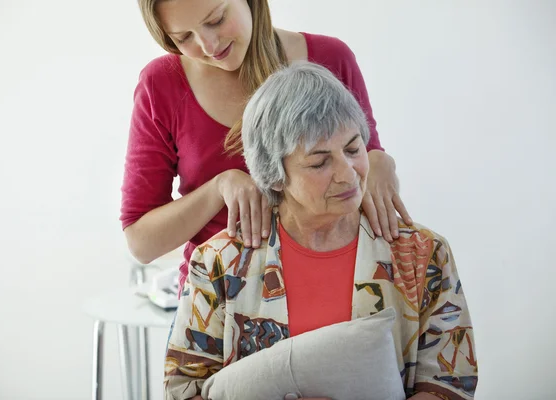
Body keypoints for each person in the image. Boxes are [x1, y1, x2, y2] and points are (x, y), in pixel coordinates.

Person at [164, 62, 478, 399]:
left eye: (354, 149)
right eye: (319, 162)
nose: (349, 174)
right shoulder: (220, 263)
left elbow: (450, 385)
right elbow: (182, 389)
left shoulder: (423, 255)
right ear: (272, 174)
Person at [121, 0, 413, 294]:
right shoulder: (162, 85)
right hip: (220, 302)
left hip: (336, 291)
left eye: (217, 19)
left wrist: (379, 160)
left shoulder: (330, 58)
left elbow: (363, 158)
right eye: (184, 37)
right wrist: (219, 188)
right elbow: (142, 243)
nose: (208, 45)